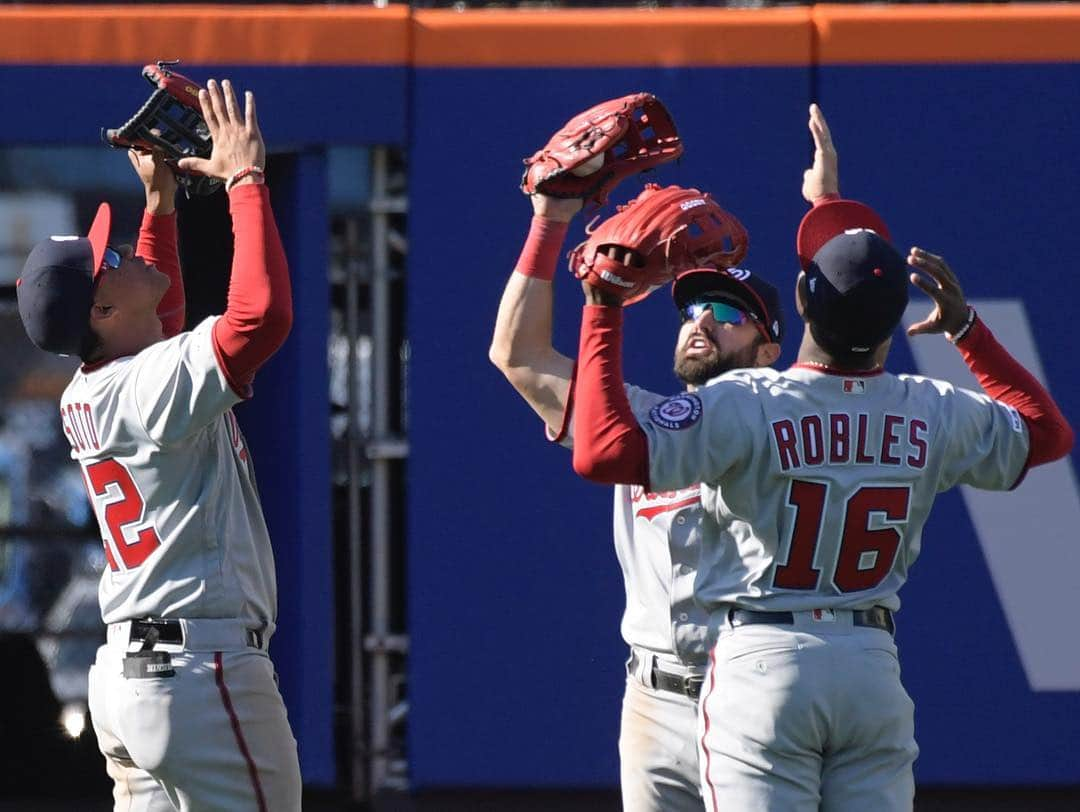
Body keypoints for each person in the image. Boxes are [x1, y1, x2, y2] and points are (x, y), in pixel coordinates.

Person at [567, 104, 1074, 811]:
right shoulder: (931, 406)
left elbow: (603, 454)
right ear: (895, 326)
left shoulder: (748, 398)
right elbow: (1047, 435)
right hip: (870, 665)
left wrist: (604, 307)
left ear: (802, 308)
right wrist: (965, 329)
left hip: (762, 664)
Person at [16, 79, 301, 811]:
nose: (121, 254)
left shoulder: (99, 383)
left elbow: (161, 311)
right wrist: (245, 178)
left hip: (129, 677)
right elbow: (260, 317)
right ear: (103, 310)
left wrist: (161, 205)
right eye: (108, 261)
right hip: (201, 674)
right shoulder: (144, 387)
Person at [489, 184, 784, 809]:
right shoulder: (638, 418)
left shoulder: (788, 426)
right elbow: (515, 354)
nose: (703, 321)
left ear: (769, 350)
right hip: (653, 696)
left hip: (753, 690)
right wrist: (550, 221)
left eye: (729, 316)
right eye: (696, 308)